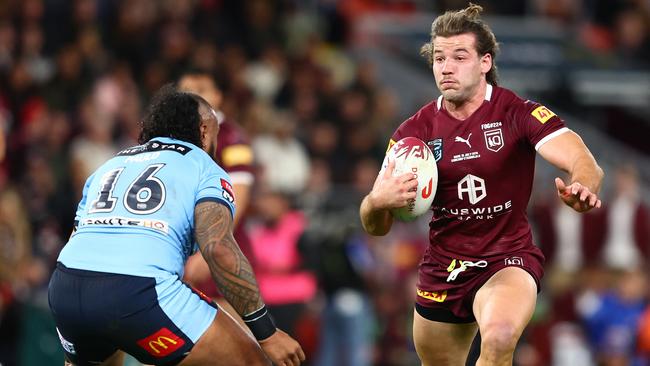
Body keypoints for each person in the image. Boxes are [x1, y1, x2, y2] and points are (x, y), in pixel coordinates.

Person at [359, 4, 604, 365]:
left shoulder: (516, 112)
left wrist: (583, 185)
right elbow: (375, 227)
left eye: (459, 56)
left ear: (485, 62)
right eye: (439, 58)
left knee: (500, 336)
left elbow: (585, 162)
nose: (446, 67)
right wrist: (376, 201)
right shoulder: (413, 134)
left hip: (506, 258)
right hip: (444, 267)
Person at [48, 86, 305, 366]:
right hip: (138, 292)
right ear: (204, 131)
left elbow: (77, 237)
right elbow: (218, 248)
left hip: (67, 288)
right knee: (253, 362)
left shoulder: (109, 166)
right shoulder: (204, 167)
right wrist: (266, 333)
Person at [177, 70, 257, 325]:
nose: (192, 96)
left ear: (217, 97)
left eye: (200, 89)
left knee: (232, 331)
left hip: (222, 248)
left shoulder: (232, 138)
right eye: (185, 89)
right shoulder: (176, 136)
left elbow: (239, 194)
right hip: (187, 247)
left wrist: (210, 250)